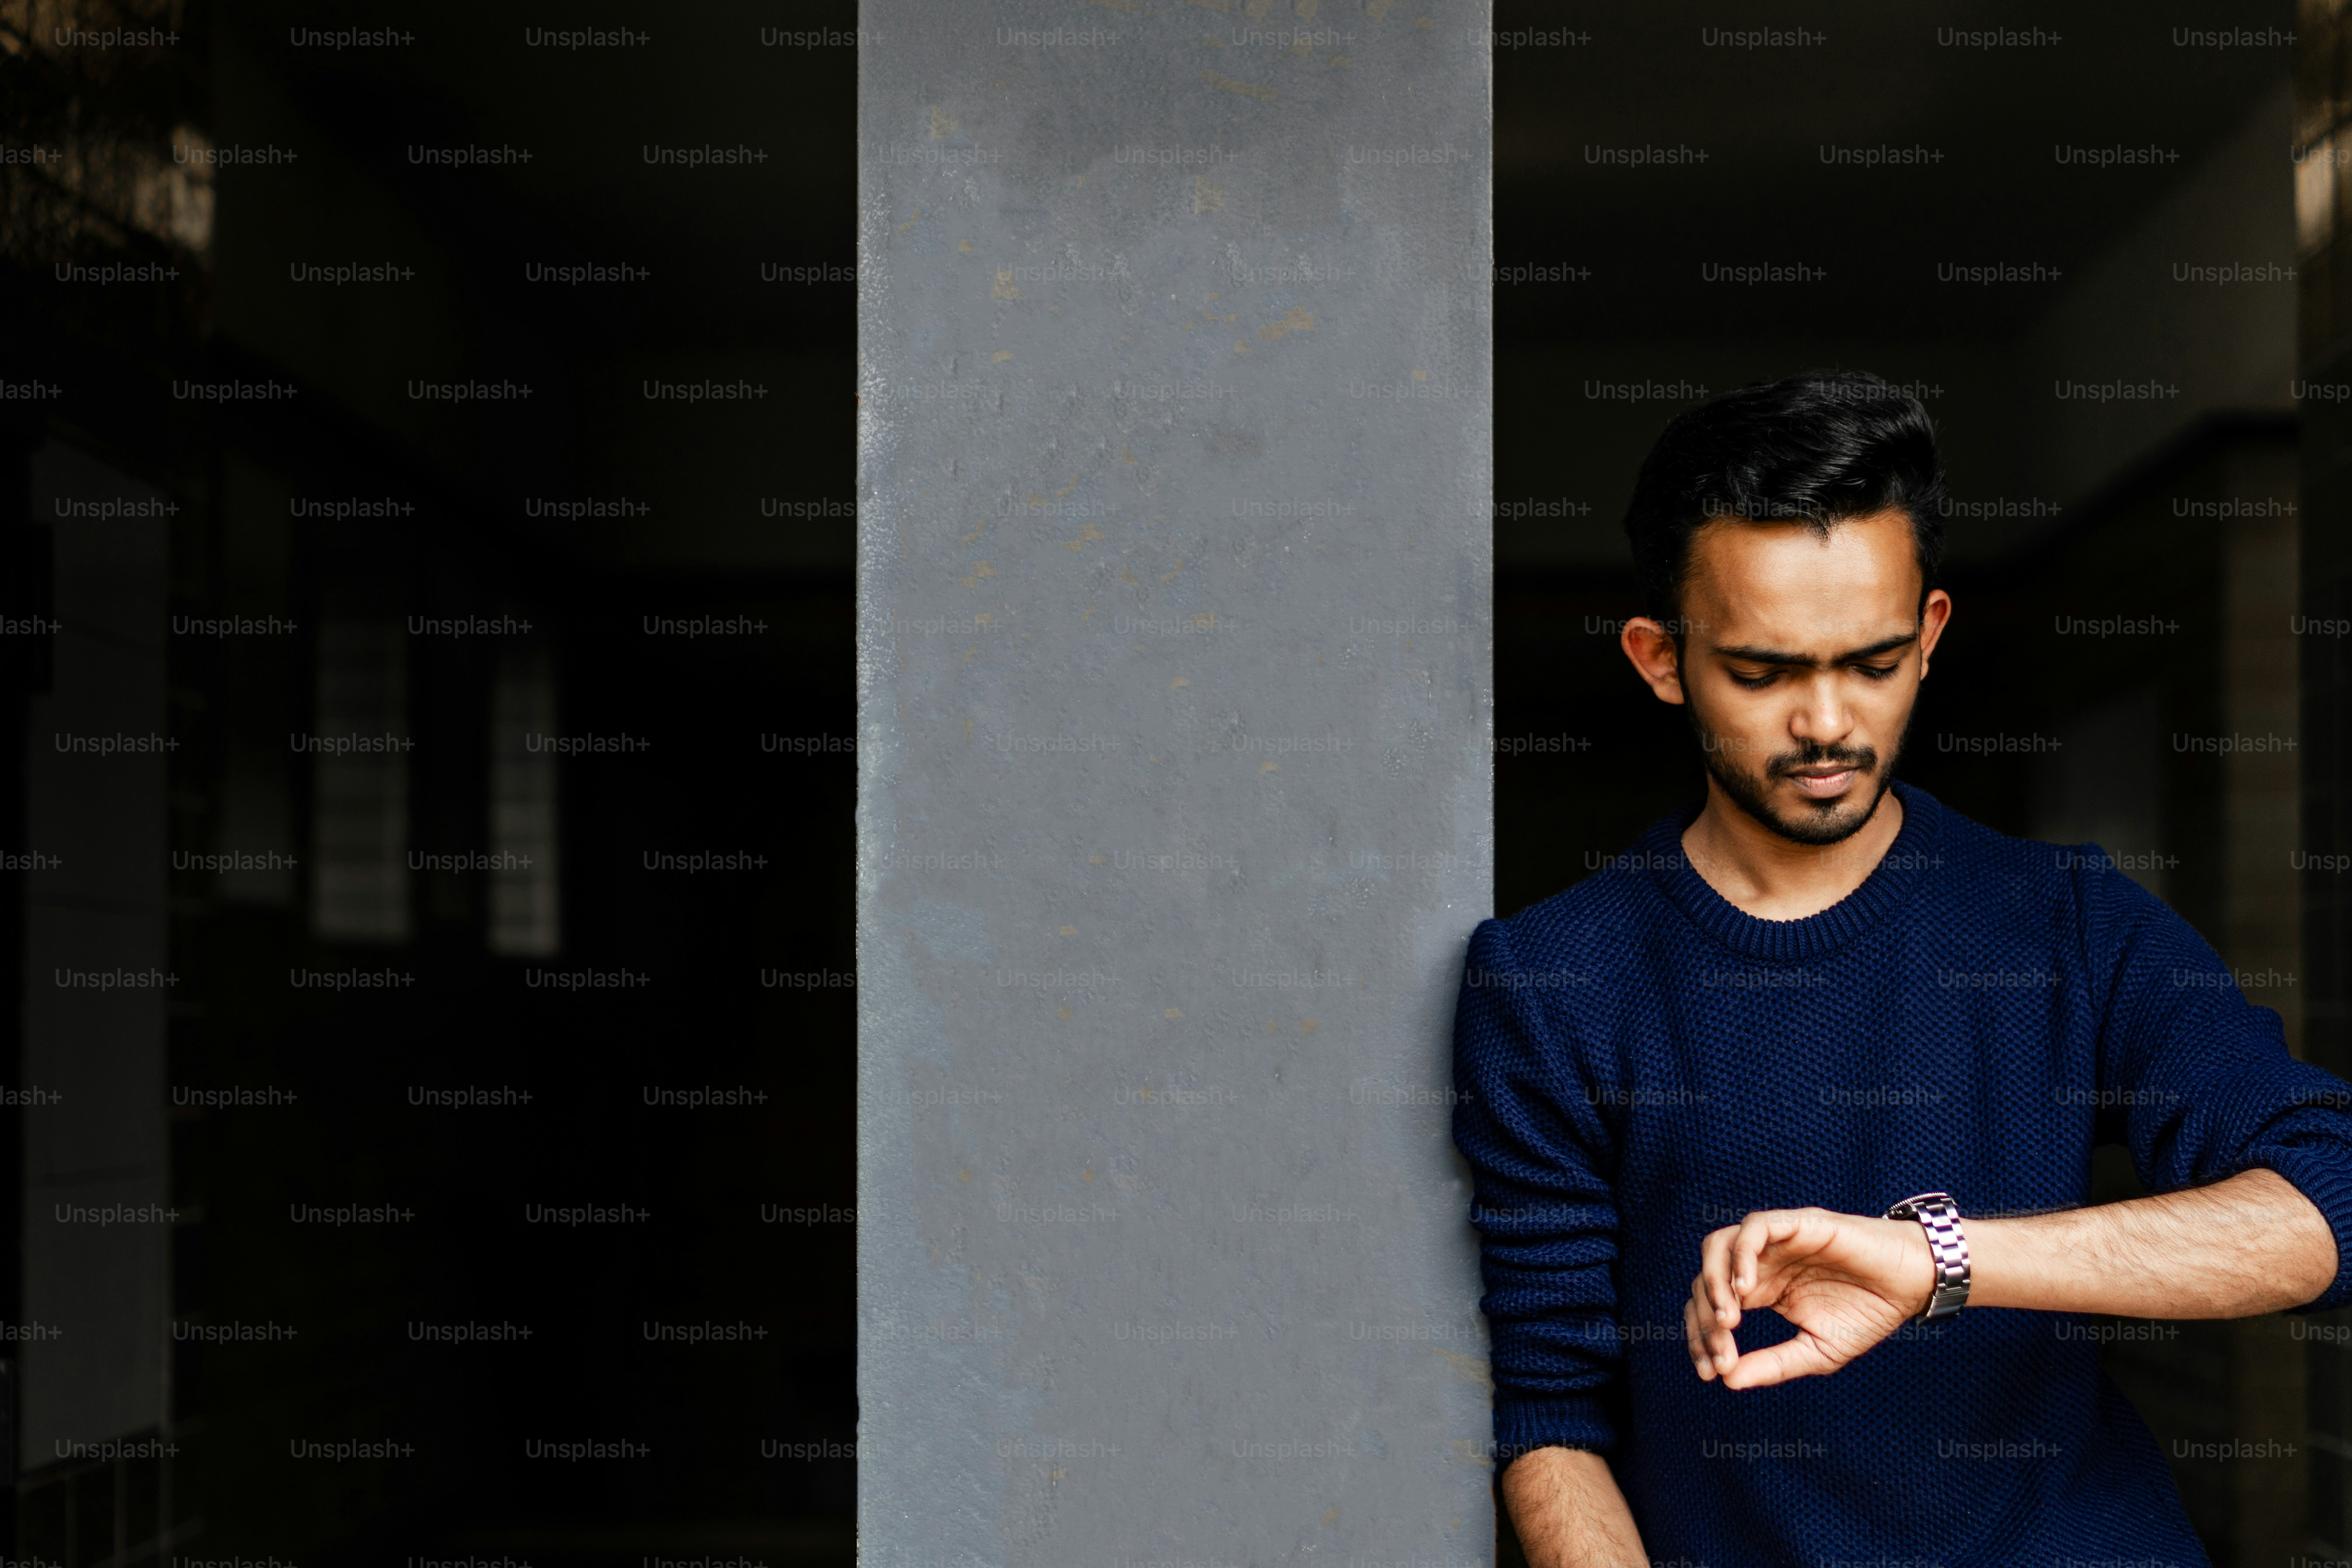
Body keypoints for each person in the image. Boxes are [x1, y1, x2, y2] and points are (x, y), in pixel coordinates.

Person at [1450, 369, 2352, 1568]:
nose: (1826, 722)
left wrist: (1940, 1262)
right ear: (1659, 658)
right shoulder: (1549, 979)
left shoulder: (2066, 925)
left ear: (1928, 635)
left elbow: (2330, 1199)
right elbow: (1551, 1414)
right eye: (1764, 672)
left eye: (1869, 663)